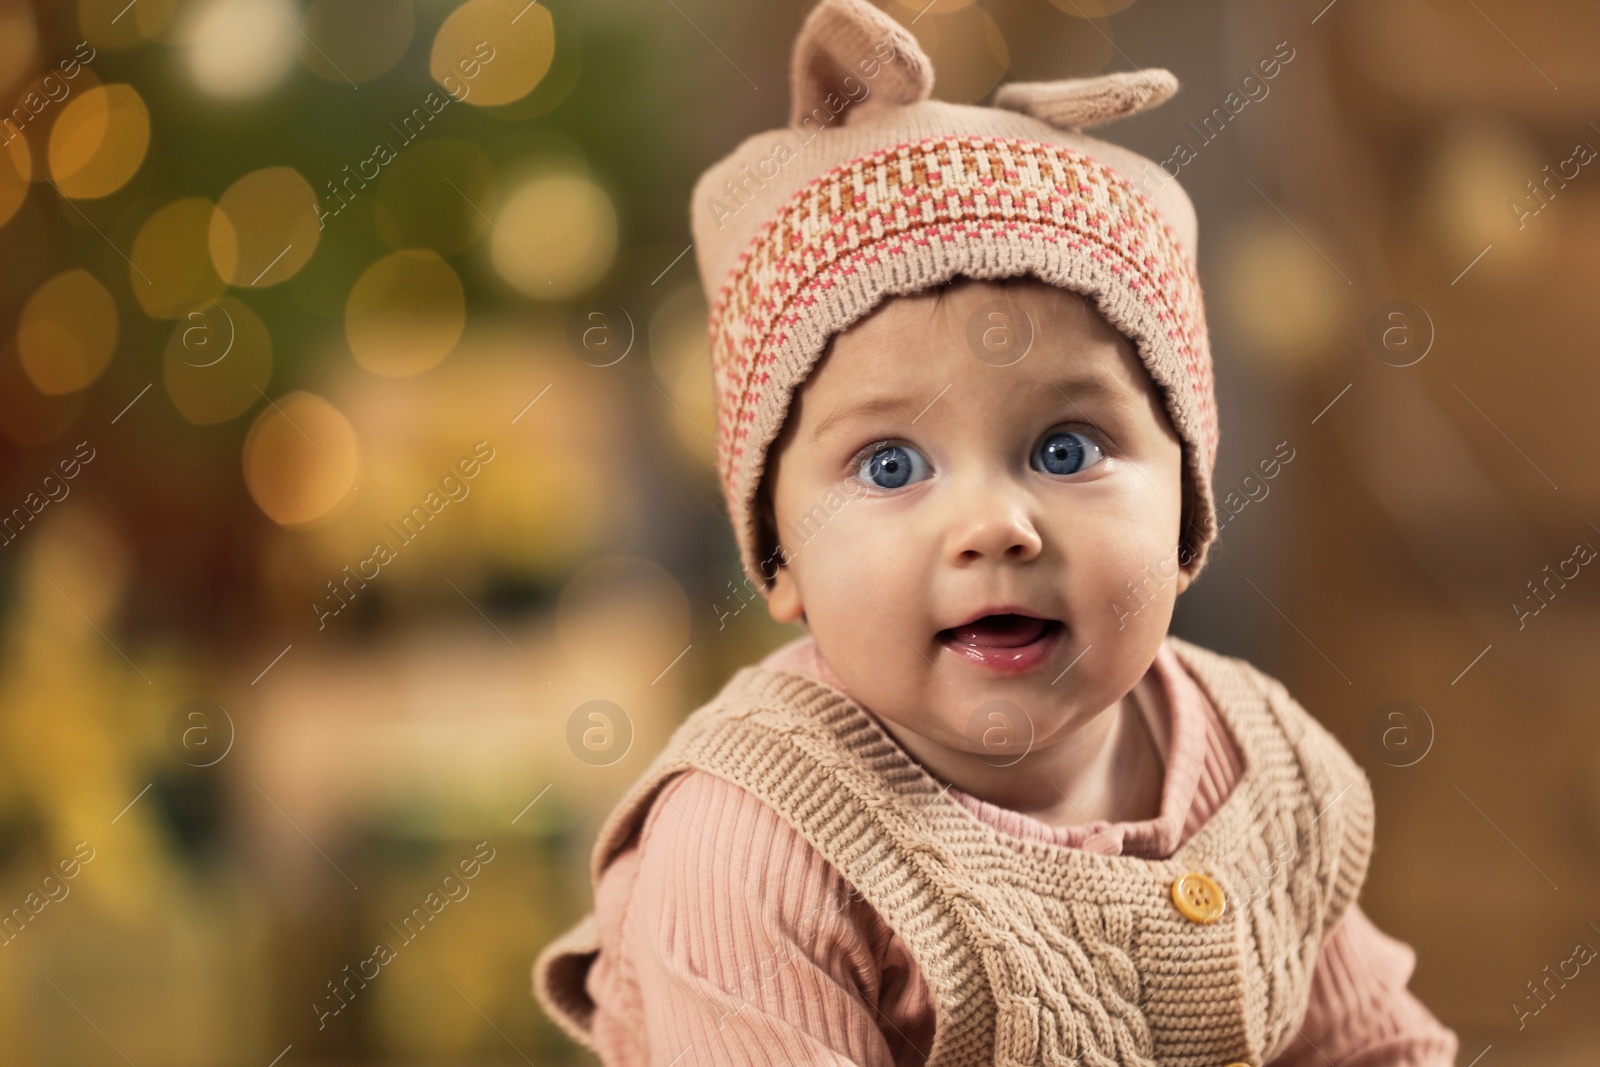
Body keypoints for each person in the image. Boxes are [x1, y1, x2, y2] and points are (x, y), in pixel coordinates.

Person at [533, 1, 1459, 1063]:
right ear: (778, 551)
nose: (994, 527)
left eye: (1066, 449)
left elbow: (1371, 1042)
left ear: (1187, 511)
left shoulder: (1263, 761)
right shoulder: (753, 845)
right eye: (891, 465)